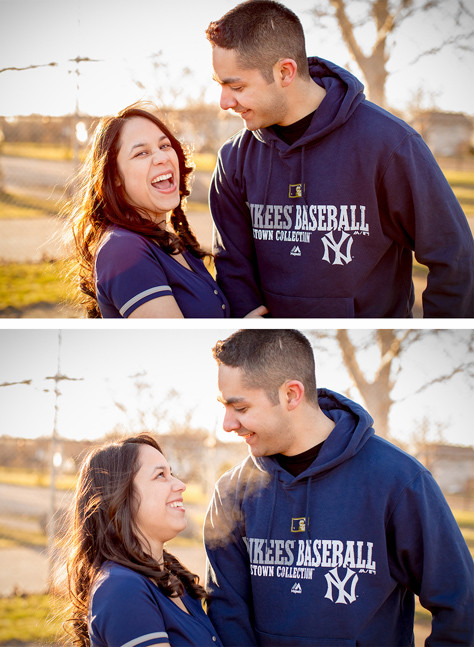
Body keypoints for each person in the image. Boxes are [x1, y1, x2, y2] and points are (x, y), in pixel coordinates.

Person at [206, 1, 474, 317]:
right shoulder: (234, 158)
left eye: (236, 86)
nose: (224, 102)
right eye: (220, 85)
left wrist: (439, 332)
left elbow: (454, 257)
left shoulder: (389, 144)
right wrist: (249, 317)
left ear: (285, 72)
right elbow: (232, 264)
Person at [205, 329, 474, 645]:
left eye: (240, 408)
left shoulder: (399, 480)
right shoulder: (232, 492)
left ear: (291, 394)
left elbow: (461, 606)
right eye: (224, 407)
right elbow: (227, 613)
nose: (227, 424)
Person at [65, 102, 255, 319]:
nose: (162, 157)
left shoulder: (171, 242)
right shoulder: (123, 248)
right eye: (141, 153)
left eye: (164, 146)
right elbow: (175, 338)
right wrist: (246, 329)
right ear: (115, 176)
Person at [64, 433, 223, 647]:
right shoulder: (122, 588)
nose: (180, 485)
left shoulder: (174, 580)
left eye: (172, 473)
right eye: (160, 475)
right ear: (120, 496)